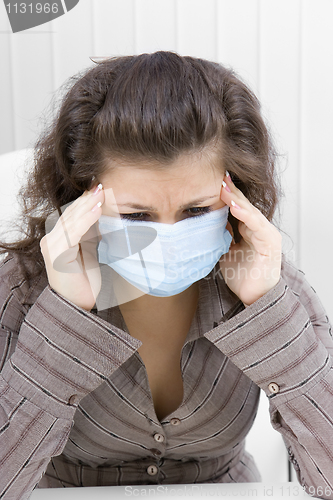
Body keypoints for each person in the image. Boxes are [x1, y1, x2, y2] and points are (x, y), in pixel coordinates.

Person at [0, 51, 332, 500]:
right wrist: (64, 319)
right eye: (137, 215)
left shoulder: (266, 278)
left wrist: (269, 313)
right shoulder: (21, 291)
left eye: (197, 210)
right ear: (82, 199)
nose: (169, 235)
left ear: (236, 195)